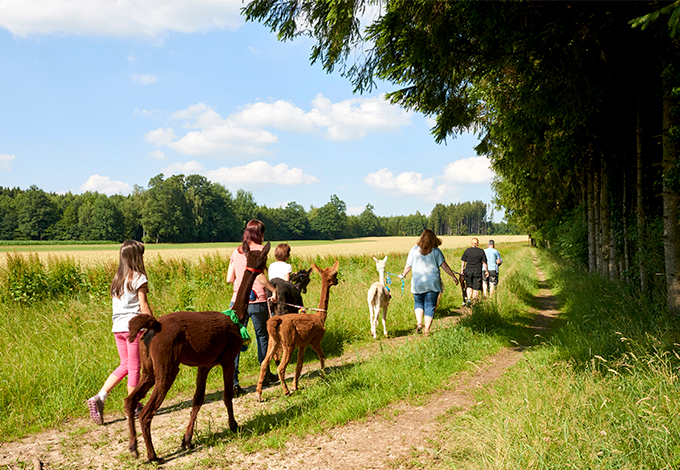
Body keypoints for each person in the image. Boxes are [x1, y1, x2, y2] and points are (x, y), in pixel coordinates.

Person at [87, 239, 153, 425]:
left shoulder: (117, 279)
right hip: (133, 328)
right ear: (135, 258)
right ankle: (133, 405)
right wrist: (154, 323)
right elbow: (144, 305)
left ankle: (100, 396)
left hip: (117, 328)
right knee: (134, 367)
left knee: (125, 364)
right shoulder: (139, 278)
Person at [227, 220, 279, 396]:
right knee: (262, 337)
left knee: (235, 340)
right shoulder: (260, 250)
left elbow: (229, 278)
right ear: (259, 233)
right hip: (257, 300)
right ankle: (265, 374)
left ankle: (233, 381)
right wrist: (273, 290)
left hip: (237, 302)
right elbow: (260, 277)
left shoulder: (237, 251)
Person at [398, 229, 459, 336]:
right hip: (433, 283)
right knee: (430, 306)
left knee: (418, 303)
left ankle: (419, 324)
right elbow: (444, 265)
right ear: (434, 239)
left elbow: (408, 266)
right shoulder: (436, 251)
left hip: (418, 283)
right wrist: (453, 276)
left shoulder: (413, 250)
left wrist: (403, 274)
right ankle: (427, 330)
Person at [461, 237, 488, 304]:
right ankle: (474, 302)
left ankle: (469, 300)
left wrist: (462, 270)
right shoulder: (481, 251)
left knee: (469, 286)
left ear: (471, 243)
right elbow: (484, 262)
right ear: (478, 243)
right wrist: (486, 271)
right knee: (476, 288)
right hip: (477, 271)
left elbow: (463, 261)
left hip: (468, 271)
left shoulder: (467, 250)